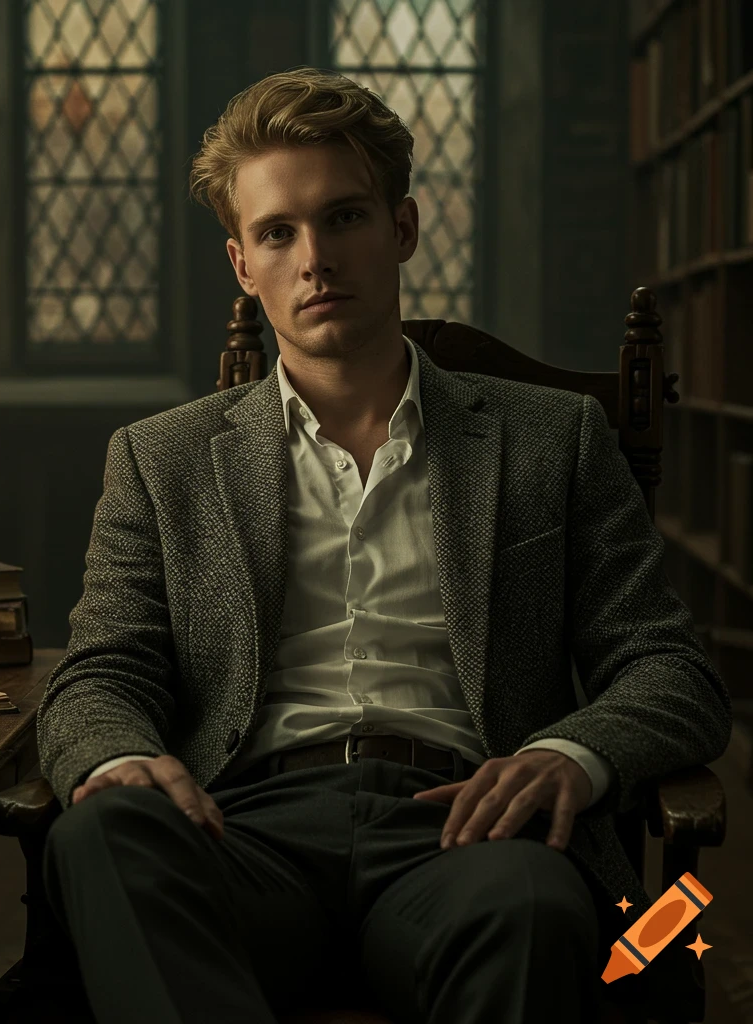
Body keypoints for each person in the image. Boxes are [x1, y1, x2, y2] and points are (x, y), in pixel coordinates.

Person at [36, 67, 731, 1024]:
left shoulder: (552, 438)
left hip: (464, 830)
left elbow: (670, 670)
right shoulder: (164, 460)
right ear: (243, 264)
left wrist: (573, 752)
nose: (315, 257)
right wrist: (112, 756)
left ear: (400, 229)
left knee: (533, 905)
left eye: (345, 217)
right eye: (278, 232)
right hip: (243, 829)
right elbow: (100, 671)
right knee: (99, 835)